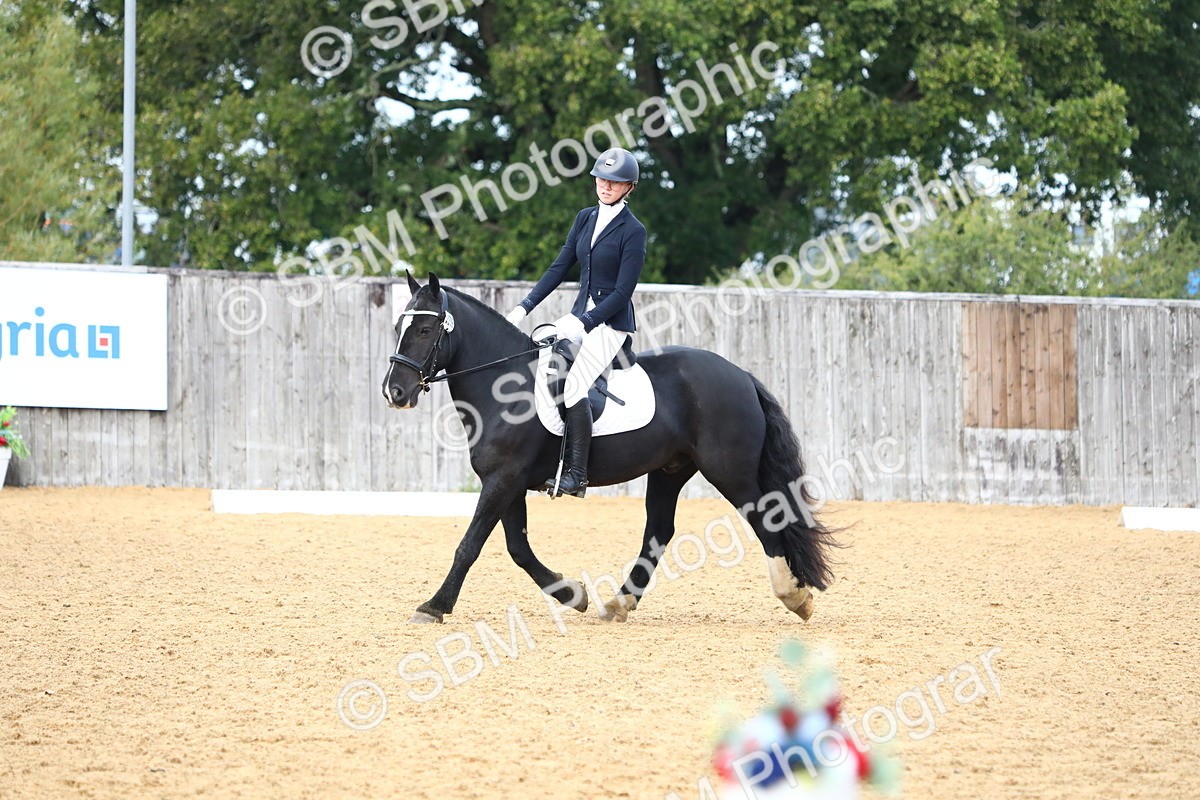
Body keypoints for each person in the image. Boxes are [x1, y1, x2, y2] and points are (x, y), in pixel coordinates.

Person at [504, 146, 647, 498]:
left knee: (574, 387)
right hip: (578, 314)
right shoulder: (584, 217)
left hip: (610, 324)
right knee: (540, 367)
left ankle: (577, 475)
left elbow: (622, 292)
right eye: (602, 179)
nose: (606, 186)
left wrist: (584, 324)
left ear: (629, 187)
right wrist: (524, 307)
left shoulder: (634, 231)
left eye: (615, 183)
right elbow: (559, 267)